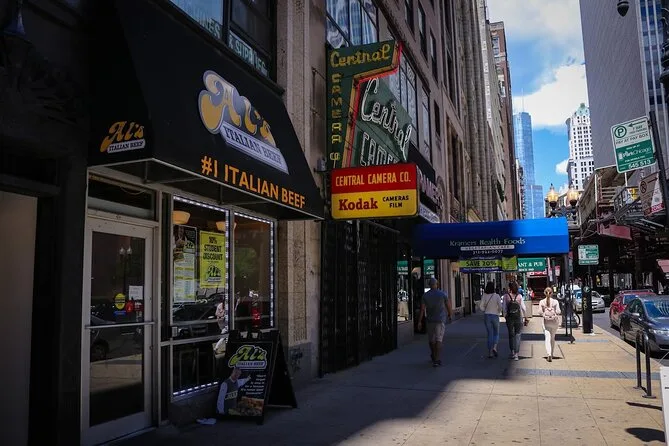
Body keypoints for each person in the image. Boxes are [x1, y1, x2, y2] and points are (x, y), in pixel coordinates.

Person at [418, 277, 452, 367]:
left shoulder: (425, 296)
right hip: (440, 320)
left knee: (431, 340)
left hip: (430, 320)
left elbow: (422, 309)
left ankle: (433, 354)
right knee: (439, 339)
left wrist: (419, 321)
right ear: (437, 284)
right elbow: (448, 305)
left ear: (429, 285)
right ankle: (436, 359)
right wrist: (450, 314)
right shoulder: (442, 294)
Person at [503, 281, 528, 361]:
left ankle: (512, 352)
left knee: (511, 335)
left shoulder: (506, 296)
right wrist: (525, 317)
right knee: (518, 335)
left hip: (509, 318)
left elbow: (504, 308)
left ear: (509, 288)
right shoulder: (519, 296)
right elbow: (524, 308)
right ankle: (517, 355)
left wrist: (505, 316)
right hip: (518, 317)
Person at [479, 281, 503, 358]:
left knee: (489, 334)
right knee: (496, 333)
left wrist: (485, 310)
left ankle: (490, 352)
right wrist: (498, 312)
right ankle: (495, 347)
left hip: (487, 316)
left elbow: (481, 306)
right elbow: (500, 306)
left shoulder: (484, 295)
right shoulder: (497, 296)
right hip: (495, 315)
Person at [539, 287, 561, 362]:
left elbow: (540, 312)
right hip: (554, 322)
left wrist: (544, 314)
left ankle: (548, 353)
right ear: (552, 293)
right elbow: (558, 311)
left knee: (547, 338)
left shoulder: (542, 302)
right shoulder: (555, 302)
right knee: (552, 338)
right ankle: (551, 353)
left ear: (544, 293)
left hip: (546, 322)